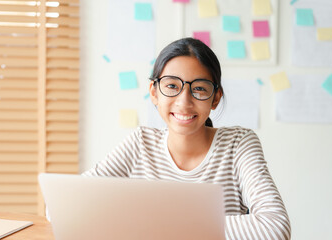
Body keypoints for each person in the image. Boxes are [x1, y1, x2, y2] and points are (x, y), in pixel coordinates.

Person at [83, 37, 291, 239]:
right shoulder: (140, 143)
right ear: (154, 93)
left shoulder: (238, 144)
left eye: (199, 88)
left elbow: (275, 227)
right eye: (172, 86)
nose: (184, 102)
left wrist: (163, 225)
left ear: (215, 98)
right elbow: (74, 203)